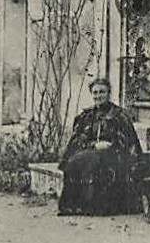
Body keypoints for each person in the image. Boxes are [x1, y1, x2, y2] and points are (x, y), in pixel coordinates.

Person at [58, 77, 143, 215]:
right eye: (95, 92)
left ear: (109, 93)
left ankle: (97, 207)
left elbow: (129, 141)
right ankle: (74, 206)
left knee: (95, 162)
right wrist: (93, 145)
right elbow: (78, 139)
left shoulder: (119, 115)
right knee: (74, 162)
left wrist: (110, 145)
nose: (98, 96)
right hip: (90, 151)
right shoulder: (86, 116)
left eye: (102, 92)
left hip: (115, 154)